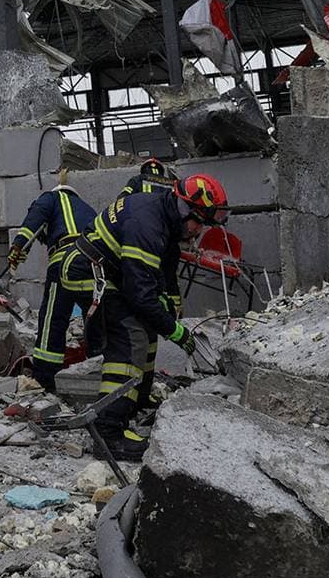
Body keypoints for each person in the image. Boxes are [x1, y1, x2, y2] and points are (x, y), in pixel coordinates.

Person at [85, 172, 228, 462]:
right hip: (90, 271)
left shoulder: (164, 217)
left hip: (113, 271)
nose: (199, 231)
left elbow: (162, 270)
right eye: (199, 222)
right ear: (186, 209)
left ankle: (135, 401)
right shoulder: (147, 223)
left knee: (146, 332)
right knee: (131, 336)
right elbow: (140, 296)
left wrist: (167, 303)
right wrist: (175, 331)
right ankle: (108, 432)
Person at [6, 180, 96, 392]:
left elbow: (36, 216)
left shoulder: (53, 197)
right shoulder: (88, 210)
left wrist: (19, 245)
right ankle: (98, 366)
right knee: (94, 317)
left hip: (65, 258)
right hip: (94, 264)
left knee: (52, 318)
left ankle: (46, 377)